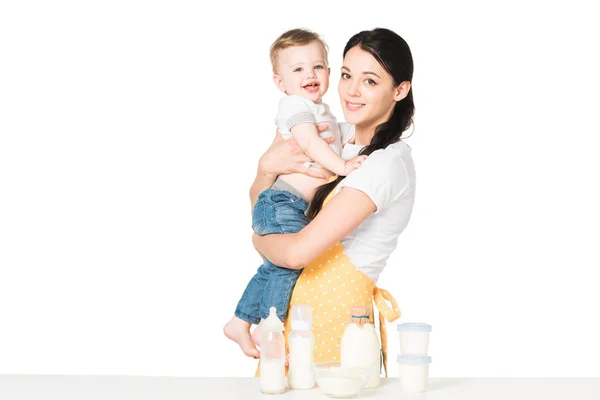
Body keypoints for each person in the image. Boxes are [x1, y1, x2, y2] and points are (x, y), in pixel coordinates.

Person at [251, 27, 416, 376]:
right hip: (296, 320)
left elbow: (296, 252)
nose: (351, 91)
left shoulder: (386, 163)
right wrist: (265, 168)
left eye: (370, 81)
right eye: (345, 75)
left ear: (399, 90)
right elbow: (264, 206)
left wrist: (258, 240)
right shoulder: (331, 137)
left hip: (340, 327)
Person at [224, 28, 366, 358]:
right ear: (280, 82)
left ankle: (239, 322)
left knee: (274, 267)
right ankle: (269, 329)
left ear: (329, 73)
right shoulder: (295, 106)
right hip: (282, 199)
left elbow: (340, 137)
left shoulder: (322, 111)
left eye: (317, 66)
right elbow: (310, 142)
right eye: (298, 69)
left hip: (289, 202)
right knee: (289, 264)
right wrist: (343, 168)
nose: (310, 74)